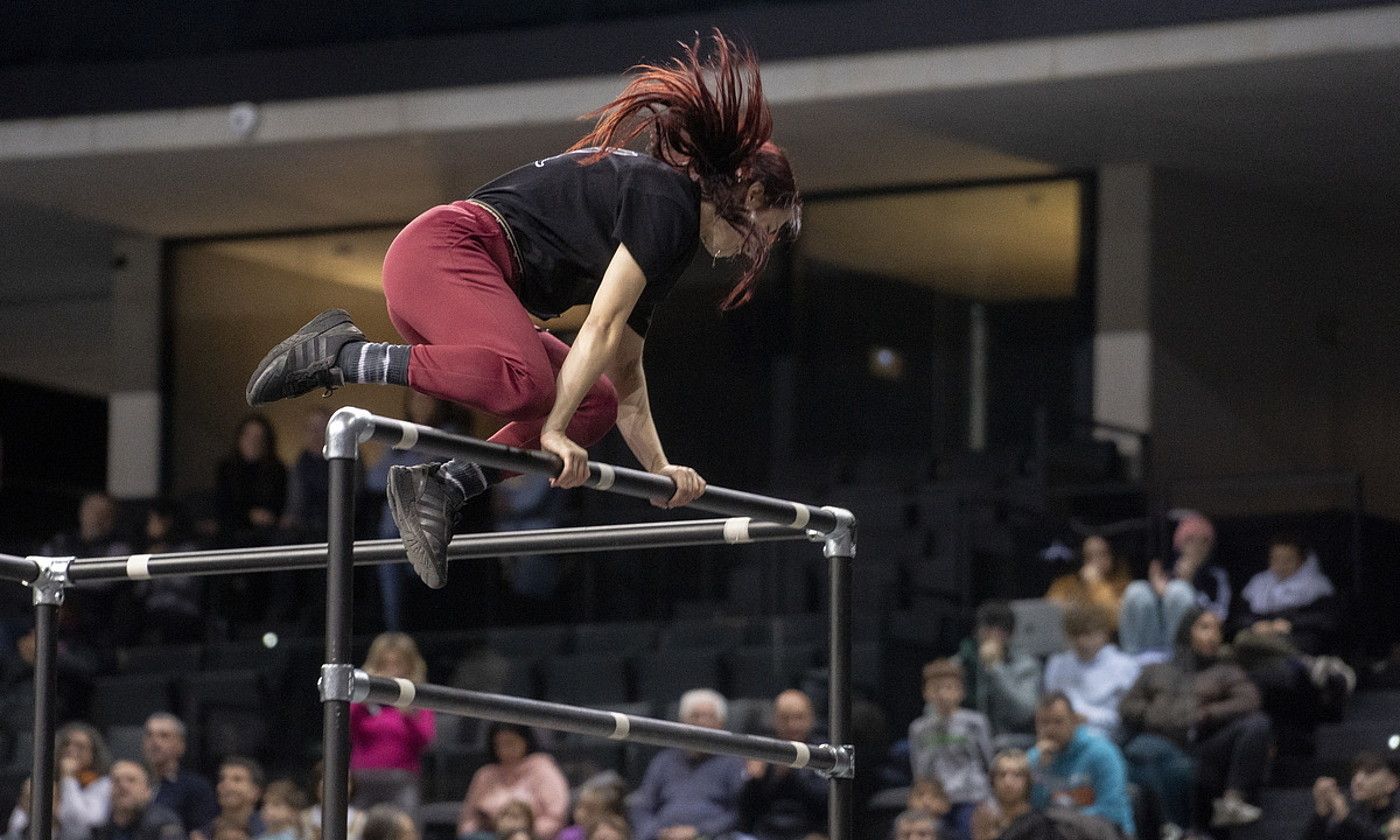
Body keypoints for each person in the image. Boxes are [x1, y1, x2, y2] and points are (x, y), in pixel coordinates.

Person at [244, 31, 801, 591]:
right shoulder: (666, 203)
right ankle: (347, 356)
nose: (758, 248)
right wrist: (553, 431)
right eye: (768, 232)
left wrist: (658, 470)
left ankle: (443, 485)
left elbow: (624, 369)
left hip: (463, 288)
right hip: (439, 255)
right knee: (532, 387)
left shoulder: (668, 237)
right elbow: (599, 326)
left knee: (596, 403)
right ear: (749, 196)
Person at [1118, 606, 1269, 833]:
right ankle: (1168, 826)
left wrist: (1207, 713)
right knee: (1144, 750)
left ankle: (1232, 800)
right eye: (1205, 628)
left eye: (1217, 629)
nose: (1213, 635)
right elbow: (1128, 705)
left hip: (1203, 745)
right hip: (1161, 739)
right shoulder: (1157, 670)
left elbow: (1248, 700)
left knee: (1257, 724)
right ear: (1187, 631)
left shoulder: (1226, 671)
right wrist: (1160, 716)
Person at [631, 689, 747, 840]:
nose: (701, 723)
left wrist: (699, 831)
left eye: (709, 717)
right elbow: (641, 806)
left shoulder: (733, 762)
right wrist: (658, 833)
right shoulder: (664, 760)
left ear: (721, 724)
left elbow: (739, 812)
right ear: (682, 722)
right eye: (695, 716)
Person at [1119, 513, 1231, 657]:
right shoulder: (1167, 571)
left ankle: (1175, 660)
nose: (1196, 546)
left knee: (1179, 591)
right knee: (1136, 590)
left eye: (1203, 541)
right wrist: (1157, 591)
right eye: (1190, 540)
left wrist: (1189, 583)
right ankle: (1132, 659)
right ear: (1179, 544)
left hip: (1180, 650)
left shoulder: (1217, 576)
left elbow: (1220, 615)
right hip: (1150, 640)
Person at [1025, 694, 1134, 838]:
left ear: (1074, 721)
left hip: (1105, 833)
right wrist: (1041, 767)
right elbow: (1032, 810)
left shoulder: (1102, 753)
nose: (1050, 729)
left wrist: (1061, 822)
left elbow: (1111, 810)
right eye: (1044, 723)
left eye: (1058, 722)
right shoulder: (1035, 759)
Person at [908, 660, 992, 840]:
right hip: (933, 801)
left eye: (949, 687)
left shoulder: (976, 723)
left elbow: (987, 762)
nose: (943, 694)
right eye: (936, 688)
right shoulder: (918, 728)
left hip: (970, 798)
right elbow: (918, 770)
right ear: (926, 692)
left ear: (961, 691)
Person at [351, 633, 436, 811]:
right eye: (384, 664)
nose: (392, 670)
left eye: (397, 664)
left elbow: (426, 740)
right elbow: (344, 729)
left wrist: (408, 714)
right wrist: (362, 701)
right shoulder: (362, 702)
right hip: (363, 778)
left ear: (410, 666)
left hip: (402, 779)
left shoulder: (419, 700)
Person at [1232, 532, 1341, 657]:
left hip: (1299, 639)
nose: (1281, 565)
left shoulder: (1318, 585)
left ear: (1301, 560)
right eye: (1276, 559)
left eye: (1288, 559)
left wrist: (1292, 624)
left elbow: (1327, 620)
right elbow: (1239, 617)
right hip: (1258, 637)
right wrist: (1255, 624)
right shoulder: (1258, 582)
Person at [738, 690, 828, 840]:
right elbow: (744, 814)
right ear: (774, 720)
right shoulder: (763, 750)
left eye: (799, 717)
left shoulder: (824, 752)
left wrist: (794, 771)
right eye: (785, 718)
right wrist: (753, 780)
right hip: (764, 833)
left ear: (811, 719)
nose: (793, 725)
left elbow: (830, 804)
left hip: (809, 831)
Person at [1042, 605, 1139, 740]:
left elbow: (1125, 717)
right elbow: (1048, 707)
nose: (1081, 642)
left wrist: (1088, 718)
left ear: (1104, 634)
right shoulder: (1057, 664)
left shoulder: (1125, 666)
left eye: (1088, 634)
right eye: (1075, 635)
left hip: (1107, 736)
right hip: (1062, 735)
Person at [457, 724, 568, 839]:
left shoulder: (542, 769)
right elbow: (468, 819)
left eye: (511, 743)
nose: (505, 750)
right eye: (499, 745)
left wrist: (525, 834)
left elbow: (556, 817)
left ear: (525, 741)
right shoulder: (485, 774)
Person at [955, 602, 1040, 745]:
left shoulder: (1026, 666)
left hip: (1008, 740)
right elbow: (933, 711)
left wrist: (995, 668)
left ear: (1010, 635)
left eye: (1001, 630)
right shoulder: (959, 663)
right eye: (987, 628)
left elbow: (1024, 713)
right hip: (964, 740)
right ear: (976, 631)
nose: (993, 636)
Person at [214, 414, 287, 548]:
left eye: (259, 438)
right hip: (233, 534)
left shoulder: (277, 470)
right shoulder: (227, 469)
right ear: (239, 439)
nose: (253, 442)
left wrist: (271, 518)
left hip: (269, 536)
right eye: (248, 436)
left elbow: (282, 505)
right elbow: (223, 507)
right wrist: (249, 516)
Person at [143, 712, 218, 833]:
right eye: (149, 735)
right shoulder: (131, 782)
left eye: (164, 736)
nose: (154, 742)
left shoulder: (196, 788)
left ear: (181, 745)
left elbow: (202, 832)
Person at [1305, 752, 1400, 840]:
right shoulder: (1352, 811)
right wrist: (1322, 813)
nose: (1357, 780)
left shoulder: (1396, 816)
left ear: (1391, 782)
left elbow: (1375, 834)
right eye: (1355, 773)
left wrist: (1345, 817)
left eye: (1369, 773)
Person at [1045, 536, 1131, 629]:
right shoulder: (1064, 584)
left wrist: (1096, 584)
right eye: (1089, 556)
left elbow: (1116, 621)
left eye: (1102, 554)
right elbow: (1050, 615)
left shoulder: (1122, 584)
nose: (1096, 561)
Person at [94, 760, 185, 840]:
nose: (123, 786)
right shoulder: (99, 825)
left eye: (131, 780)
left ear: (147, 791)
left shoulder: (164, 824)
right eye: (116, 780)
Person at [56, 722, 114, 840]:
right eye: (66, 744)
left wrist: (68, 778)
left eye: (80, 747)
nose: (71, 750)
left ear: (93, 753)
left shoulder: (104, 784)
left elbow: (82, 821)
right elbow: (18, 822)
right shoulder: (49, 782)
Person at [193, 757, 267, 840]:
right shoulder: (202, 834)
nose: (226, 784)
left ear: (255, 792)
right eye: (222, 779)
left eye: (237, 780)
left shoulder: (273, 829)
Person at [301, 761, 367, 840]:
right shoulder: (303, 819)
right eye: (330, 782)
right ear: (316, 786)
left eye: (345, 781)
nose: (338, 787)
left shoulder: (361, 820)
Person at [558, 779, 627, 840]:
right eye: (579, 806)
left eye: (590, 810)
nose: (580, 813)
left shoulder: (612, 832)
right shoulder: (568, 835)